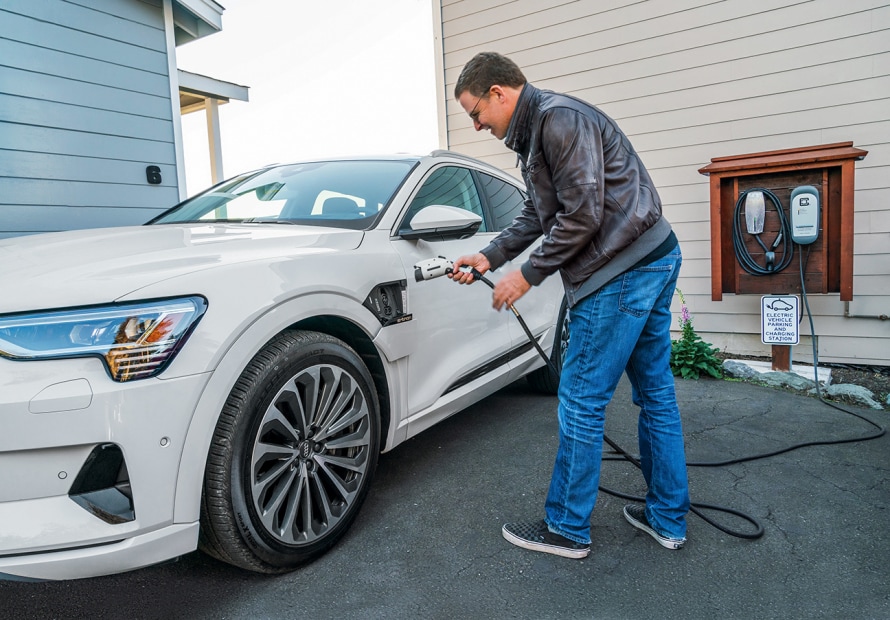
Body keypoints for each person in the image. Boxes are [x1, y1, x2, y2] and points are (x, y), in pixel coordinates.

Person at [448, 52, 690, 558]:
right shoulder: (539, 132)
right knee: (655, 395)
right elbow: (539, 213)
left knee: (581, 399)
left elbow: (582, 216)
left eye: (475, 113)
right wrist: (490, 256)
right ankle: (667, 519)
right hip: (650, 257)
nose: (475, 125)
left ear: (499, 93)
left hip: (621, 270)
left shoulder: (560, 120)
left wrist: (526, 276)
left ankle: (566, 528)